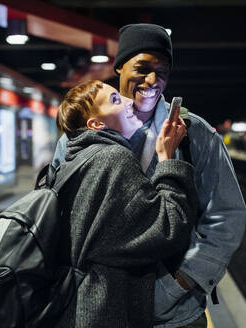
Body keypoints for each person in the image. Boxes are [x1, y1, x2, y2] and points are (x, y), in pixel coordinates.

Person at [53, 23, 246, 328]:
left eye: (163, 70)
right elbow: (59, 213)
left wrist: (182, 283)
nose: (153, 80)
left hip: (173, 315)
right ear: (119, 67)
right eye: (142, 68)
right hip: (98, 311)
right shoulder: (75, 138)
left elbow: (226, 215)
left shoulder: (195, 133)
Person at [55, 80, 199, 327]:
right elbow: (168, 228)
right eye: (115, 100)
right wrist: (167, 159)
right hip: (108, 310)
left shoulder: (73, 163)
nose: (129, 101)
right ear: (97, 124)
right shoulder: (114, 158)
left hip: (77, 307)